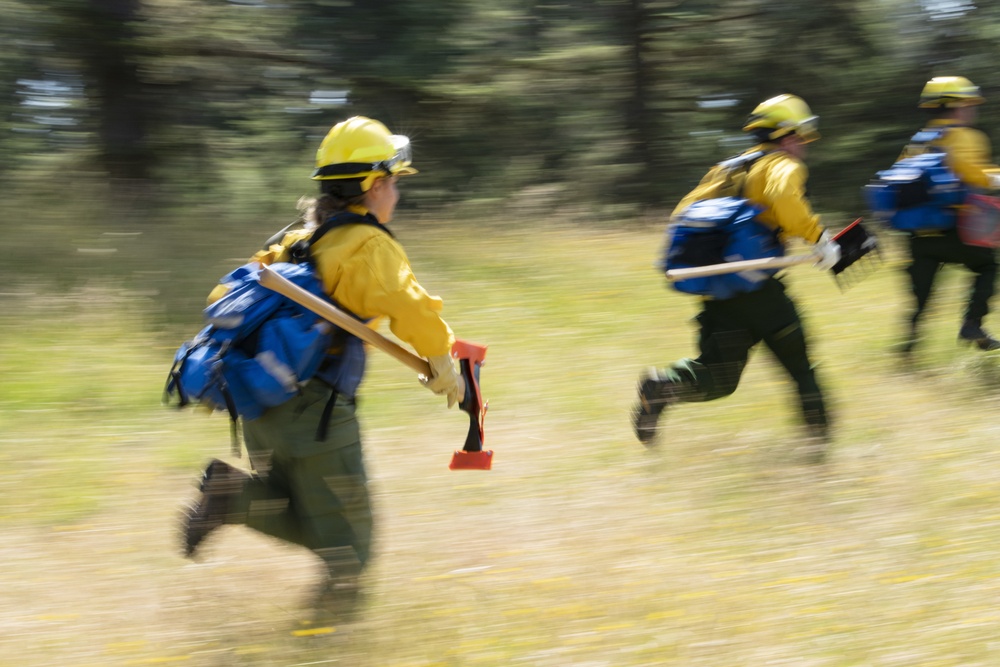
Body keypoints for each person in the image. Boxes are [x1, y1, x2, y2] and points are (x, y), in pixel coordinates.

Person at [180, 116, 465, 618]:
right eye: (394, 181)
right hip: (319, 415)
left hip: (262, 404)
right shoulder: (368, 245)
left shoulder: (296, 240)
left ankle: (233, 497)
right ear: (374, 186)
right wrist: (444, 364)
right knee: (350, 549)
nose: (396, 193)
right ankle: (329, 643)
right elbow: (410, 305)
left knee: (305, 516)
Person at [631, 94, 841, 461]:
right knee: (799, 365)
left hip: (719, 291)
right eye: (803, 135)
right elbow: (784, 199)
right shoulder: (782, 165)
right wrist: (818, 238)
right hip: (761, 292)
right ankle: (820, 451)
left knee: (719, 377)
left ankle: (663, 386)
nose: (805, 144)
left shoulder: (728, 169)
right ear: (788, 134)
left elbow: (683, 213)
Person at [897, 76, 1000, 354]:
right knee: (986, 267)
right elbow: (976, 175)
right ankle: (972, 324)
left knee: (921, 296)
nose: (972, 109)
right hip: (957, 228)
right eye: (969, 103)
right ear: (958, 106)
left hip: (918, 232)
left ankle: (908, 344)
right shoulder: (969, 136)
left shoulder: (917, 142)